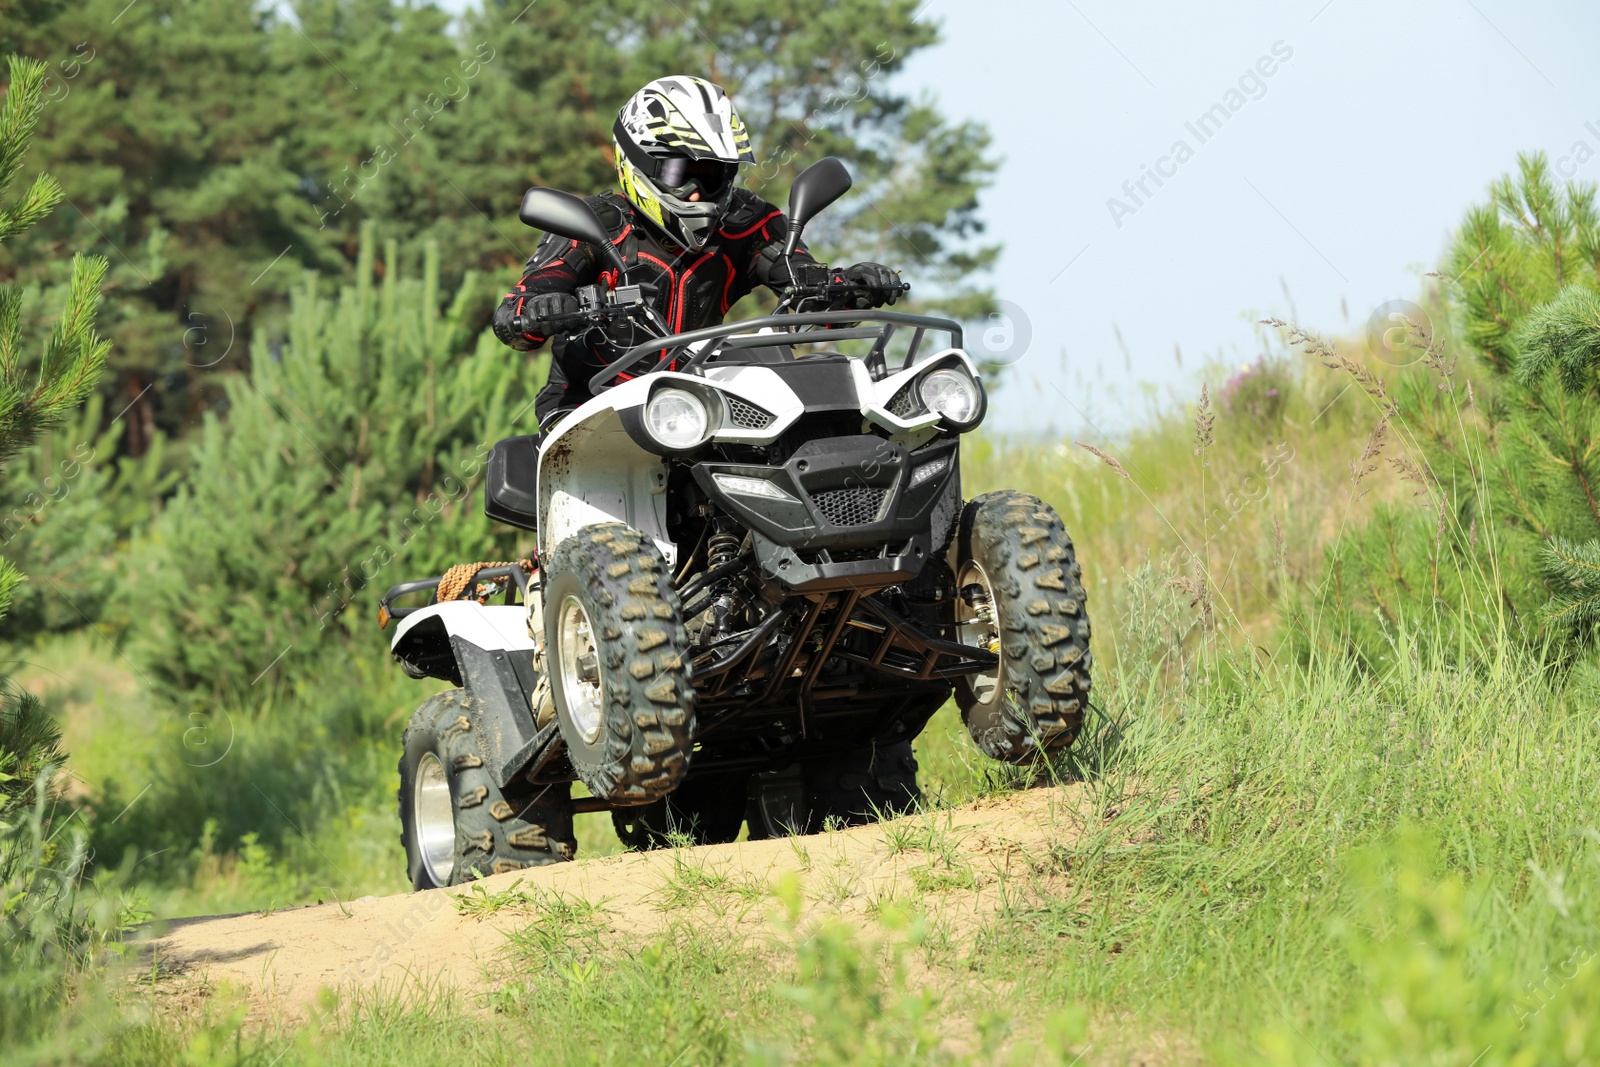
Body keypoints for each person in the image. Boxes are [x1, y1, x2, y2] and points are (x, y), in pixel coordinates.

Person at [491, 75, 904, 432]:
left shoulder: (748, 221)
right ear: (637, 162)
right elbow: (516, 315)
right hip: (593, 409)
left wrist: (851, 288)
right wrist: (540, 309)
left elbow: (805, 286)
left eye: (713, 175)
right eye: (681, 172)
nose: (698, 192)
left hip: (708, 405)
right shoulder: (593, 225)